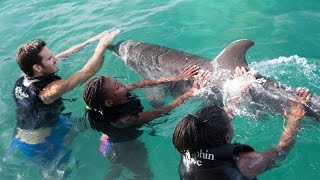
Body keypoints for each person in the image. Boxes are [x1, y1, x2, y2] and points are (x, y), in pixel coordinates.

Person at [11, 29, 120, 177]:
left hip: (42, 127)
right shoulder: (48, 91)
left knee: (95, 119)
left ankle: (104, 139)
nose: (55, 59)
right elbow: (87, 72)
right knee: (62, 173)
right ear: (37, 67)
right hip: (41, 145)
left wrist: (91, 40)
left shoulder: (25, 74)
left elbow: (65, 54)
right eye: (50, 58)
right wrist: (102, 46)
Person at [172, 67, 312, 180]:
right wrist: (295, 117)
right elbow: (282, 150)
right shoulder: (247, 163)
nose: (230, 118)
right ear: (227, 138)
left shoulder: (190, 140)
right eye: (229, 122)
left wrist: (239, 92)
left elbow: (218, 122)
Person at [83, 66, 209, 179]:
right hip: (125, 148)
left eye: (116, 81)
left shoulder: (117, 94)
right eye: (116, 86)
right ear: (109, 102)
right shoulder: (125, 119)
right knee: (144, 174)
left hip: (108, 140)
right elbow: (161, 111)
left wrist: (177, 78)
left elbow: (142, 84)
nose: (121, 84)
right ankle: (120, 167)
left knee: (122, 165)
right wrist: (192, 91)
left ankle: (119, 166)